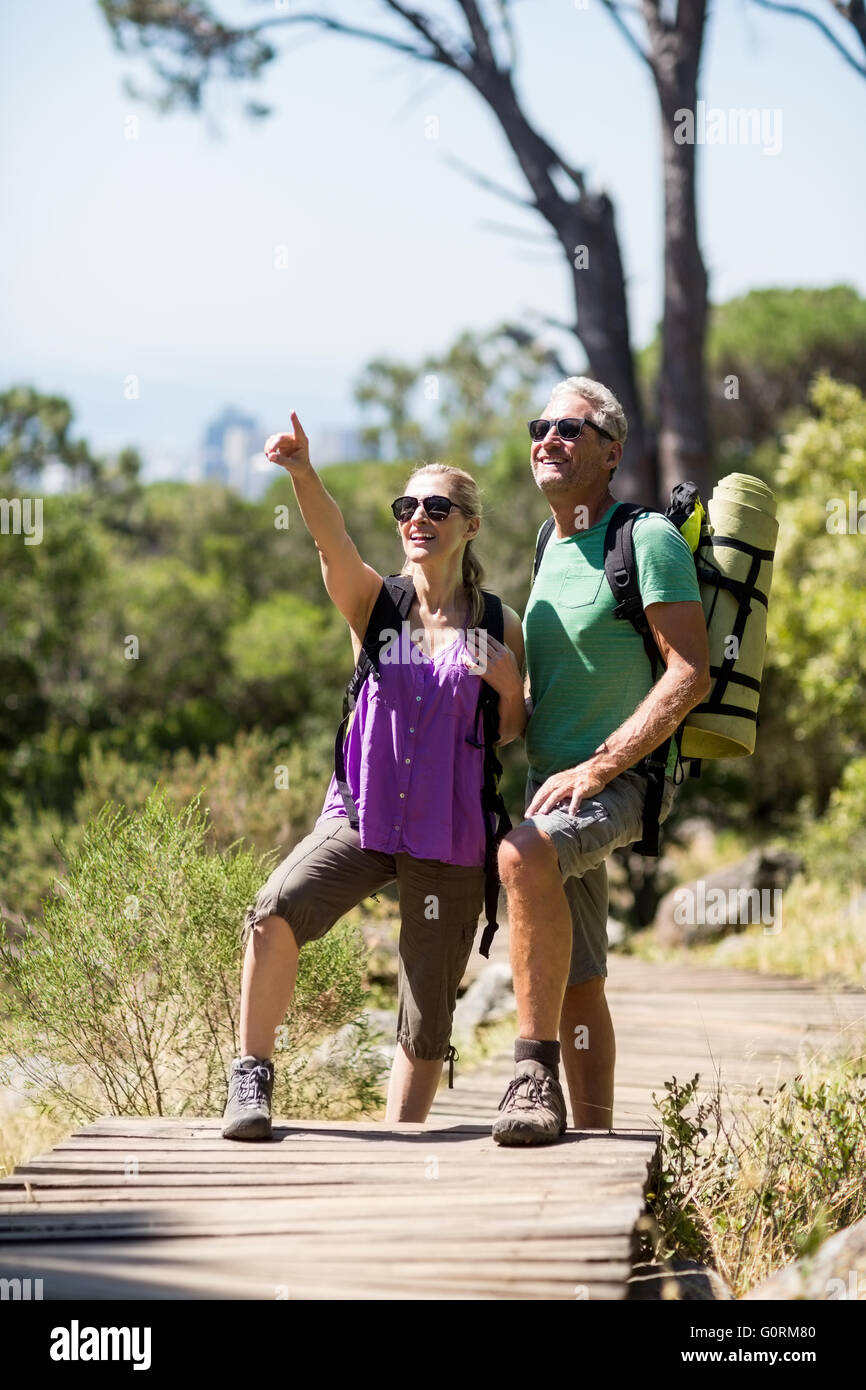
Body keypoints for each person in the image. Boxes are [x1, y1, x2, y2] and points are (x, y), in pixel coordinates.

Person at [222, 410, 526, 1141]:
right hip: (364, 817)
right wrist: (302, 471)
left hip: (450, 833)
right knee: (274, 909)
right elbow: (334, 543)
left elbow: (508, 735)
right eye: (406, 507)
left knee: (426, 1018)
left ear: (470, 525)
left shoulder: (497, 621)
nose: (418, 517)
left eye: (436, 507)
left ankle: (399, 1148)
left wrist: (510, 683)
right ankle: (251, 1079)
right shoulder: (377, 605)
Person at [492, 376, 712, 1146]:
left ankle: (528, 1072)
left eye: (570, 429)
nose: (548, 439)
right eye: (539, 426)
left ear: (611, 452)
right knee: (580, 982)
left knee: (523, 857)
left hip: (620, 782)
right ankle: (595, 1148)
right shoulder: (552, 541)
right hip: (549, 784)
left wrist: (600, 768)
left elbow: (689, 672)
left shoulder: (643, 538)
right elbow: (548, 683)